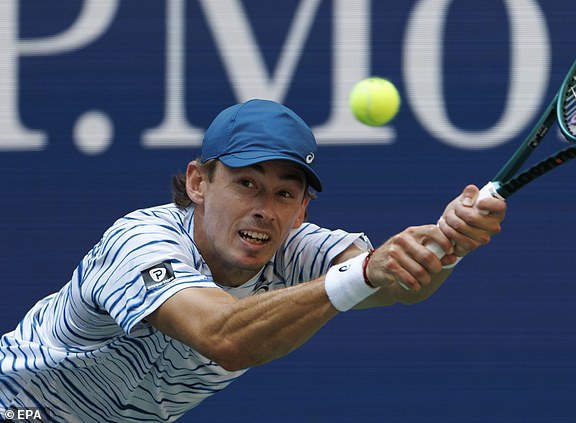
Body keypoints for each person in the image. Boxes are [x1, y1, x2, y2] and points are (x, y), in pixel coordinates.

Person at [0, 99, 506, 422]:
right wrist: (364, 271)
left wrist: (447, 245)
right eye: (247, 184)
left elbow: (399, 284)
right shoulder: (141, 240)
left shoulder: (298, 248)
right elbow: (224, 338)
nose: (265, 209)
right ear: (198, 183)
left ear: (303, 209)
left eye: (286, 194)